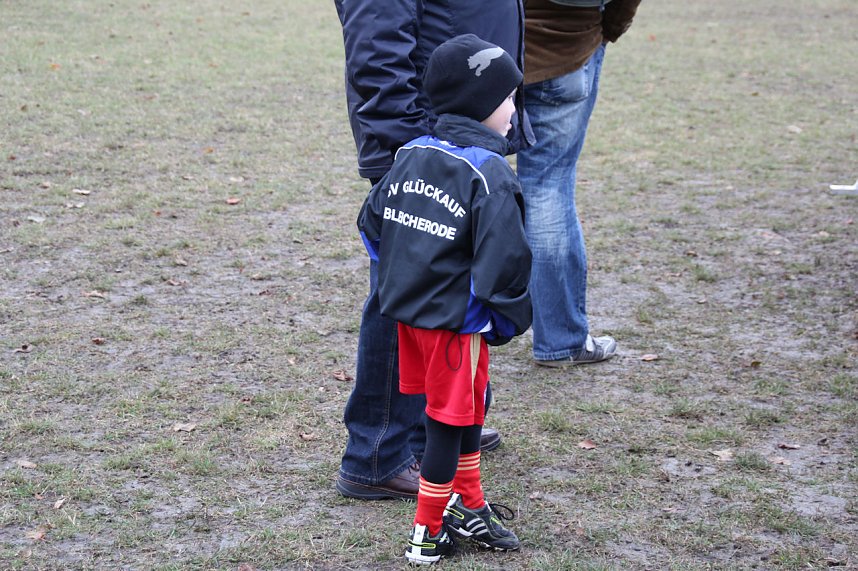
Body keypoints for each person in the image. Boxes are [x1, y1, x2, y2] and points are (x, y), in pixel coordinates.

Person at [333, 0, 534, 501]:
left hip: (462, 135)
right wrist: (412, 146)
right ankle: (377, 455)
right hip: (428, 141)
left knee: (448, 289)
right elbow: (376, 39)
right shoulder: (422, 152)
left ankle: (437, 430)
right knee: (405, 290)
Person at [517, 0, 641, 367]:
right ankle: (560, 340)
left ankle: (454, 332)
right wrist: (610, 28)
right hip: (569, 47)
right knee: (546, 187)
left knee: (464, 178)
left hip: (490, 46)